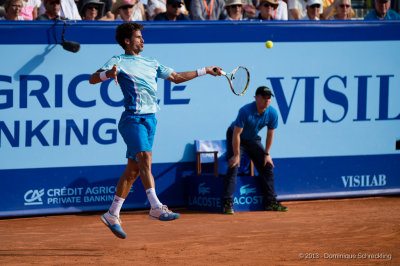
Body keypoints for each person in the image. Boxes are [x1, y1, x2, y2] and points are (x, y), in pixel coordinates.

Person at [89, 22, 222, 239]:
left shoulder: (151, 62)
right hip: (133, 119)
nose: (143, 40)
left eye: (142, 37)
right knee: (145, 158)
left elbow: (177, 78)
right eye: (139, 37)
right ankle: (156, 207)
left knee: (133, 170)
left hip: (151, 120)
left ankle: (112, 214)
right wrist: (108, 73)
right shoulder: (118, 60)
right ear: (127, 41)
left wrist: (205, 70)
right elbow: (92, 78)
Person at [222, 86, 288, 214]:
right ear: (256, 98)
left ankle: (270, 202)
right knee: (234, 165)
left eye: (269, 98)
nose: (267, 100)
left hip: (253, 139)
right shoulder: (245, 111)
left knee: (267, 165)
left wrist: (267, 154)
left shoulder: (272, 113)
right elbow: (236, 134)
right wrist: (236, 155)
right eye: (264, 97)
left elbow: (270, 134)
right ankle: (227, 203)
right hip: (236, 136)